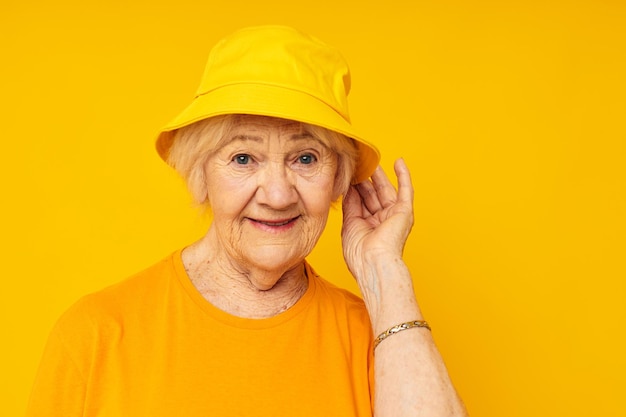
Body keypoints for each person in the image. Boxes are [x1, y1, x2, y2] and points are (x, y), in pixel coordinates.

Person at [26, 25, 468, 417]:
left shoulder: (380, 338)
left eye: (306, 158)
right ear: (200, 173)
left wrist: (386, 275)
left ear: (339, 180)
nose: (277, 194)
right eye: (243, 157)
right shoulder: (97, 334)